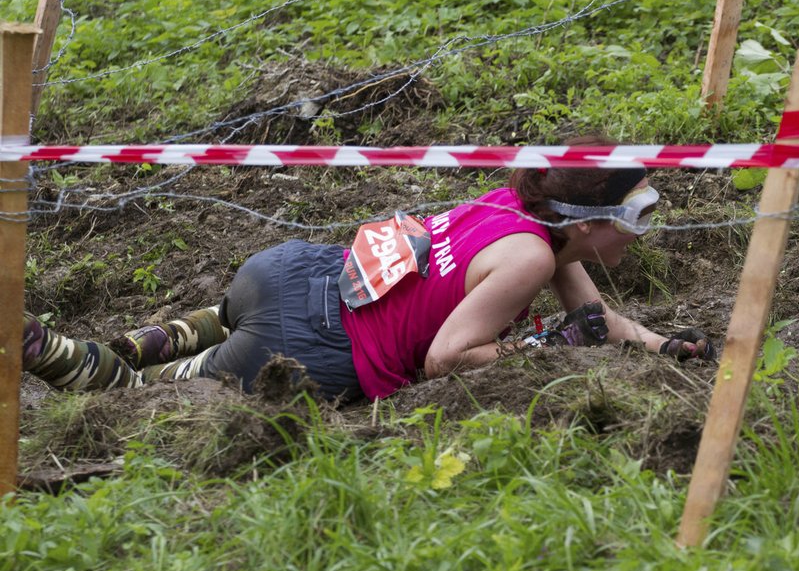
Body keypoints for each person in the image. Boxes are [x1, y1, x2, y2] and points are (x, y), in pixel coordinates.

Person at [22, 135, 717, 403]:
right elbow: (448, 359)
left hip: (288, 274)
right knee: (136, 394)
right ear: (588, 223)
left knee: (203, 328)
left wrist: (659, 345)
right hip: (311, 349)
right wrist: (537, 348)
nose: (643, 231)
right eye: (639, 213)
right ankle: (60, 356)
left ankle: (109, 344)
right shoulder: (534, 256)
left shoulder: (521, 213)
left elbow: (591, 315)